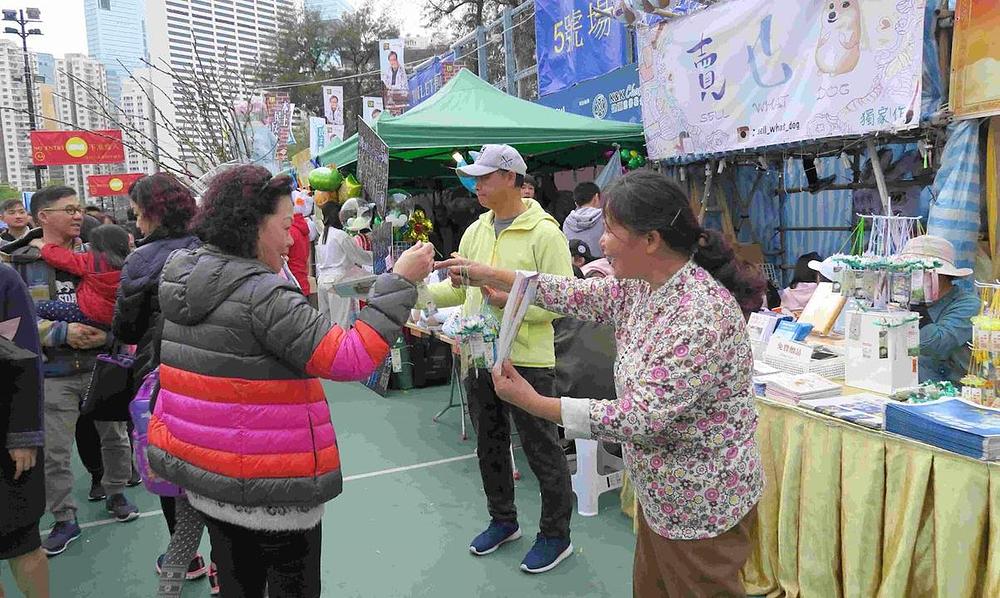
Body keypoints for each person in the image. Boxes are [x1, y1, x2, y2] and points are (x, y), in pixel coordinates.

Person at [438, 170, 766, 596]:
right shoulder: (644, 285)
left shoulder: (697, 316)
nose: (602, 242)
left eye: (611, 231)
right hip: (663, 496)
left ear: (650, 240)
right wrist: (493, 275)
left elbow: (639, 417)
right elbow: (577, 295)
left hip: (701, 505)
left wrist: (535, 403)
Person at [146, 165, 433, 598]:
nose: (290, 239)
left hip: (211, 478)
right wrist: (401, 282)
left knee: (238, 584)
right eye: (285, 226)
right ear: (253, 226)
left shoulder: (184, 278)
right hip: (270, 488)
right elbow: (349, 357)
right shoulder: (261, 294)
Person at [425, 144, 576, 574]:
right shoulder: (476, 230)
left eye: (486, 178)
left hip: (526, 359)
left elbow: (562, 302)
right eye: (476, 178)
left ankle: (555, 535)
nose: (478, 186)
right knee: (490, 445)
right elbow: (460, 290)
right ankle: (503, 521)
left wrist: (508, 299)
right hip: (477, 356)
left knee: (541, 448)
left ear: (511, 177)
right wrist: (417, 288)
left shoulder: (545, 233)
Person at [3, 186, 138, 557]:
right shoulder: (19, 263)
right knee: (56, 453)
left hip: (102, 366)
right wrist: (62, 332)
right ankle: (64, 518)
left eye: (80, 209)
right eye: (69, 210)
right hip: (53, 372)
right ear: (42, 216)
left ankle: (117, 492)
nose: (78, 215)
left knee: (115, 438)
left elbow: (125, 308)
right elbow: (11, 324)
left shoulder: (102, 255)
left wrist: (108, 333)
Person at [109, 174, 211, 591]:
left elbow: (128, 330)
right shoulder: (216, 249)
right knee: (219, 463)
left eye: (137, 212)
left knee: (171, 468)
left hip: (164, 379)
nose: (135, 221)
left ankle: (184, 558)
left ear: (151, 211)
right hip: (219, 375)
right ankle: (226, 558)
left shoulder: (142, 259)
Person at [0, 263, 49, 598]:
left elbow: (23, 357)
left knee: (21, 539)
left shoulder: (4, 281)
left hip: (6, 431)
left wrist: (23, 435)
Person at [901, 235, 980, 384]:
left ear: (941, 276)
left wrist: (918, 310)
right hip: (909, 384)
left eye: (918, 274)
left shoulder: (969, 305)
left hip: (949, 392)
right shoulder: (904, 301)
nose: (910, 278)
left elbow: (937, 345)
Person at [29, 224, 130, 328]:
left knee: (40, 307)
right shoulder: (130, 264)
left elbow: (63, 258)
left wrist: (42, 245)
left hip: (90, 314)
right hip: (117, 318)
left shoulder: (93, 261)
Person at [315, 201, 373, 328]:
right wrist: (376, 257)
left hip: (322, 281)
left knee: (326, 324)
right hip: (338, 282)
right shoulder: (340, 235)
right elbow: (359, 256)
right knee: (341, 323)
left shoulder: (322, 236)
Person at [563, 182, 605, 258]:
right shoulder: (605, 216)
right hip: (602, 267)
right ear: (596, 198)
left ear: (576, 204)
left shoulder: (567, 223)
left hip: (576, 267)